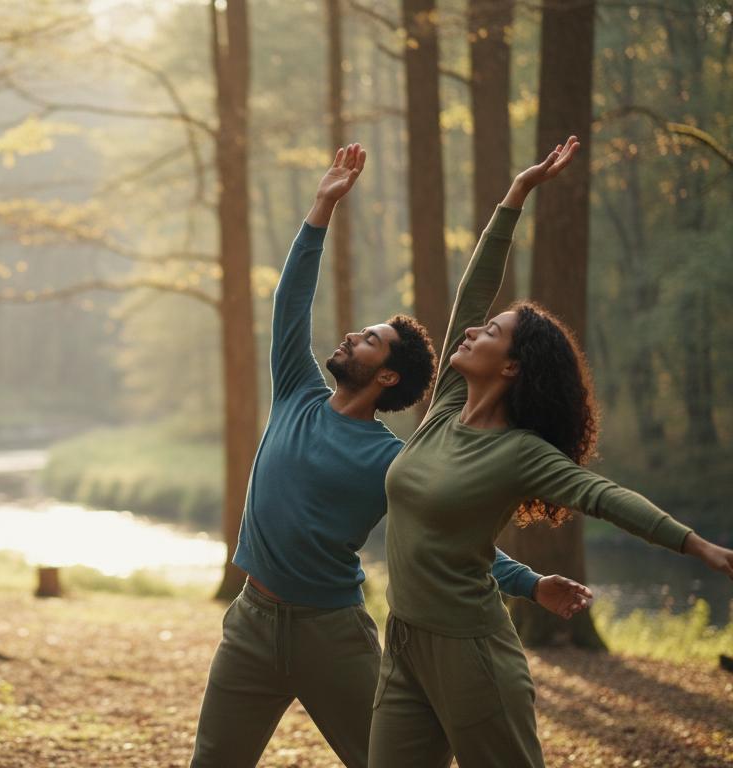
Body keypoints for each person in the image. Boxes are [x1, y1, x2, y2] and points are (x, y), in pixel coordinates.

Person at [189, 144, 591, 768]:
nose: (352, 335)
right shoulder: (296, 391)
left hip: (333, 635)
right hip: (250, 624)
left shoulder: (393, 461)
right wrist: (322, 208)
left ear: (385, 379)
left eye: (370, 339)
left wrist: (532, 584)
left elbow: (456, 542)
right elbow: (289, 305)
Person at [370, 136, 733, 767]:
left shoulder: (521, 453)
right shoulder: (446, 410)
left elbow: (603, 495)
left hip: (472, 656)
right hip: (403, 645)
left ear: (511, 368)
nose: (474, 330)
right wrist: (516, 195)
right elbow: (472, 295)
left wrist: (696, 545)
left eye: (493, 333)